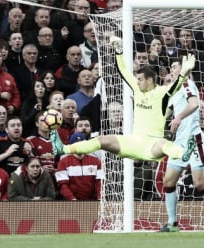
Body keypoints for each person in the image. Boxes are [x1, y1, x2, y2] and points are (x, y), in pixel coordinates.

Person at [51, 36, 196, 163]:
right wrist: (119, 52)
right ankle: (63, 148)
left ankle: (183, 154)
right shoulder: (137, 89)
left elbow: (176, 85)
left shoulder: (162, 93)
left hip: (152, 144)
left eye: (140, 79)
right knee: (101, 140)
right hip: (133, 141)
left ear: (150, 80)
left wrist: (184, 72)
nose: (137, 82)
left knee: (164, 144)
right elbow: (124, 72)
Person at [159, 58, 204, 232]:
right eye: (171, 67)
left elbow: (195, 104)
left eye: (175, 67)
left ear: (184, 69)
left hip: (193, 140)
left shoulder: (187, 83)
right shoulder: (173, 91)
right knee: (168, 181)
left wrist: (179, 117)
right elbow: (163, 113)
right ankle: (172, 223)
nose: (172, 70)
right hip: (179, 143)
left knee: (200, 184)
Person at [55, 132, 104, 200]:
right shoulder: (63, 162)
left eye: (81, 144)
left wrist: (99, 198)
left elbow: (100, 182)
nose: (79, 146)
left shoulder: (95, 161)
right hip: (71, 202)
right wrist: (73, 199)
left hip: (92, 201)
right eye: (76, 144)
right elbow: (63, 185)